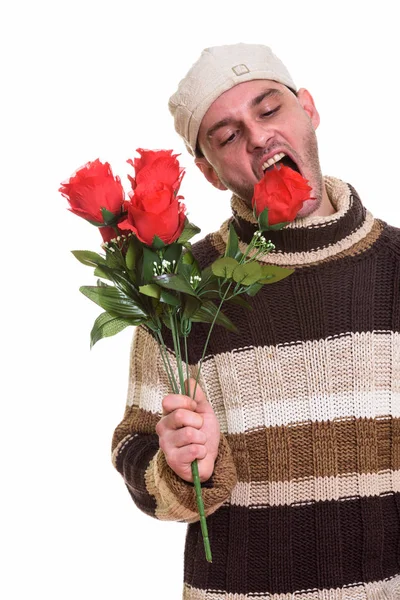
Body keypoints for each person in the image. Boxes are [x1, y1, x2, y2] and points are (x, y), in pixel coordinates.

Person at [111, 43, 400, 599]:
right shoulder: (181, 290)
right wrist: (179, 465)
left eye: (269, 110)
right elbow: (135, 449)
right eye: (227, 135)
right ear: (210, 173)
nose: (258, 136)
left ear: (309, 109)